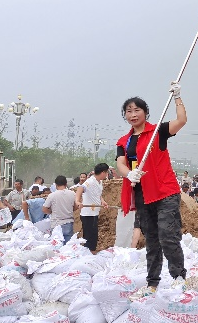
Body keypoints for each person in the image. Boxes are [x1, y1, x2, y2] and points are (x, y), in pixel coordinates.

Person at [116, 82, 187, 292]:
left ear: (145, 113)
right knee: (152, 240)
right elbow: (121, 164)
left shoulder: (158, 131)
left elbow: (181, 120)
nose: (133, 114)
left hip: (165, 192)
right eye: (128, 111)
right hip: (143, 195)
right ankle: (152, 282)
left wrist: (177, 97)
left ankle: (178, 277)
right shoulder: (124, 141)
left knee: (168, 235)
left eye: (137, 110)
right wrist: (129, 173)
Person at [75, 163, 109, 251]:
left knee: (94, 236)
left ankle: (91, 252)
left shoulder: (100, 182)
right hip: (87, 214)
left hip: (94, 213)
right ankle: (88, 253)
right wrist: (78, 201)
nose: (107, 174)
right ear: (103, 172)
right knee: (89, 237)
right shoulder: (90, 181)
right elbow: (80, 188)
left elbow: (98, 194)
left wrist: (102, 201)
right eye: (106, 172)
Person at [42, 176, 77, 244]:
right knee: (68, 246)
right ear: (66, 184)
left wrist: (51, 212)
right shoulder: (72, 194)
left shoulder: (52, 195)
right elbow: (76, 207)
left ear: (56, 185)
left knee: (57, 246)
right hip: (69, 223)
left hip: (56, 224)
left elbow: (44, 209)